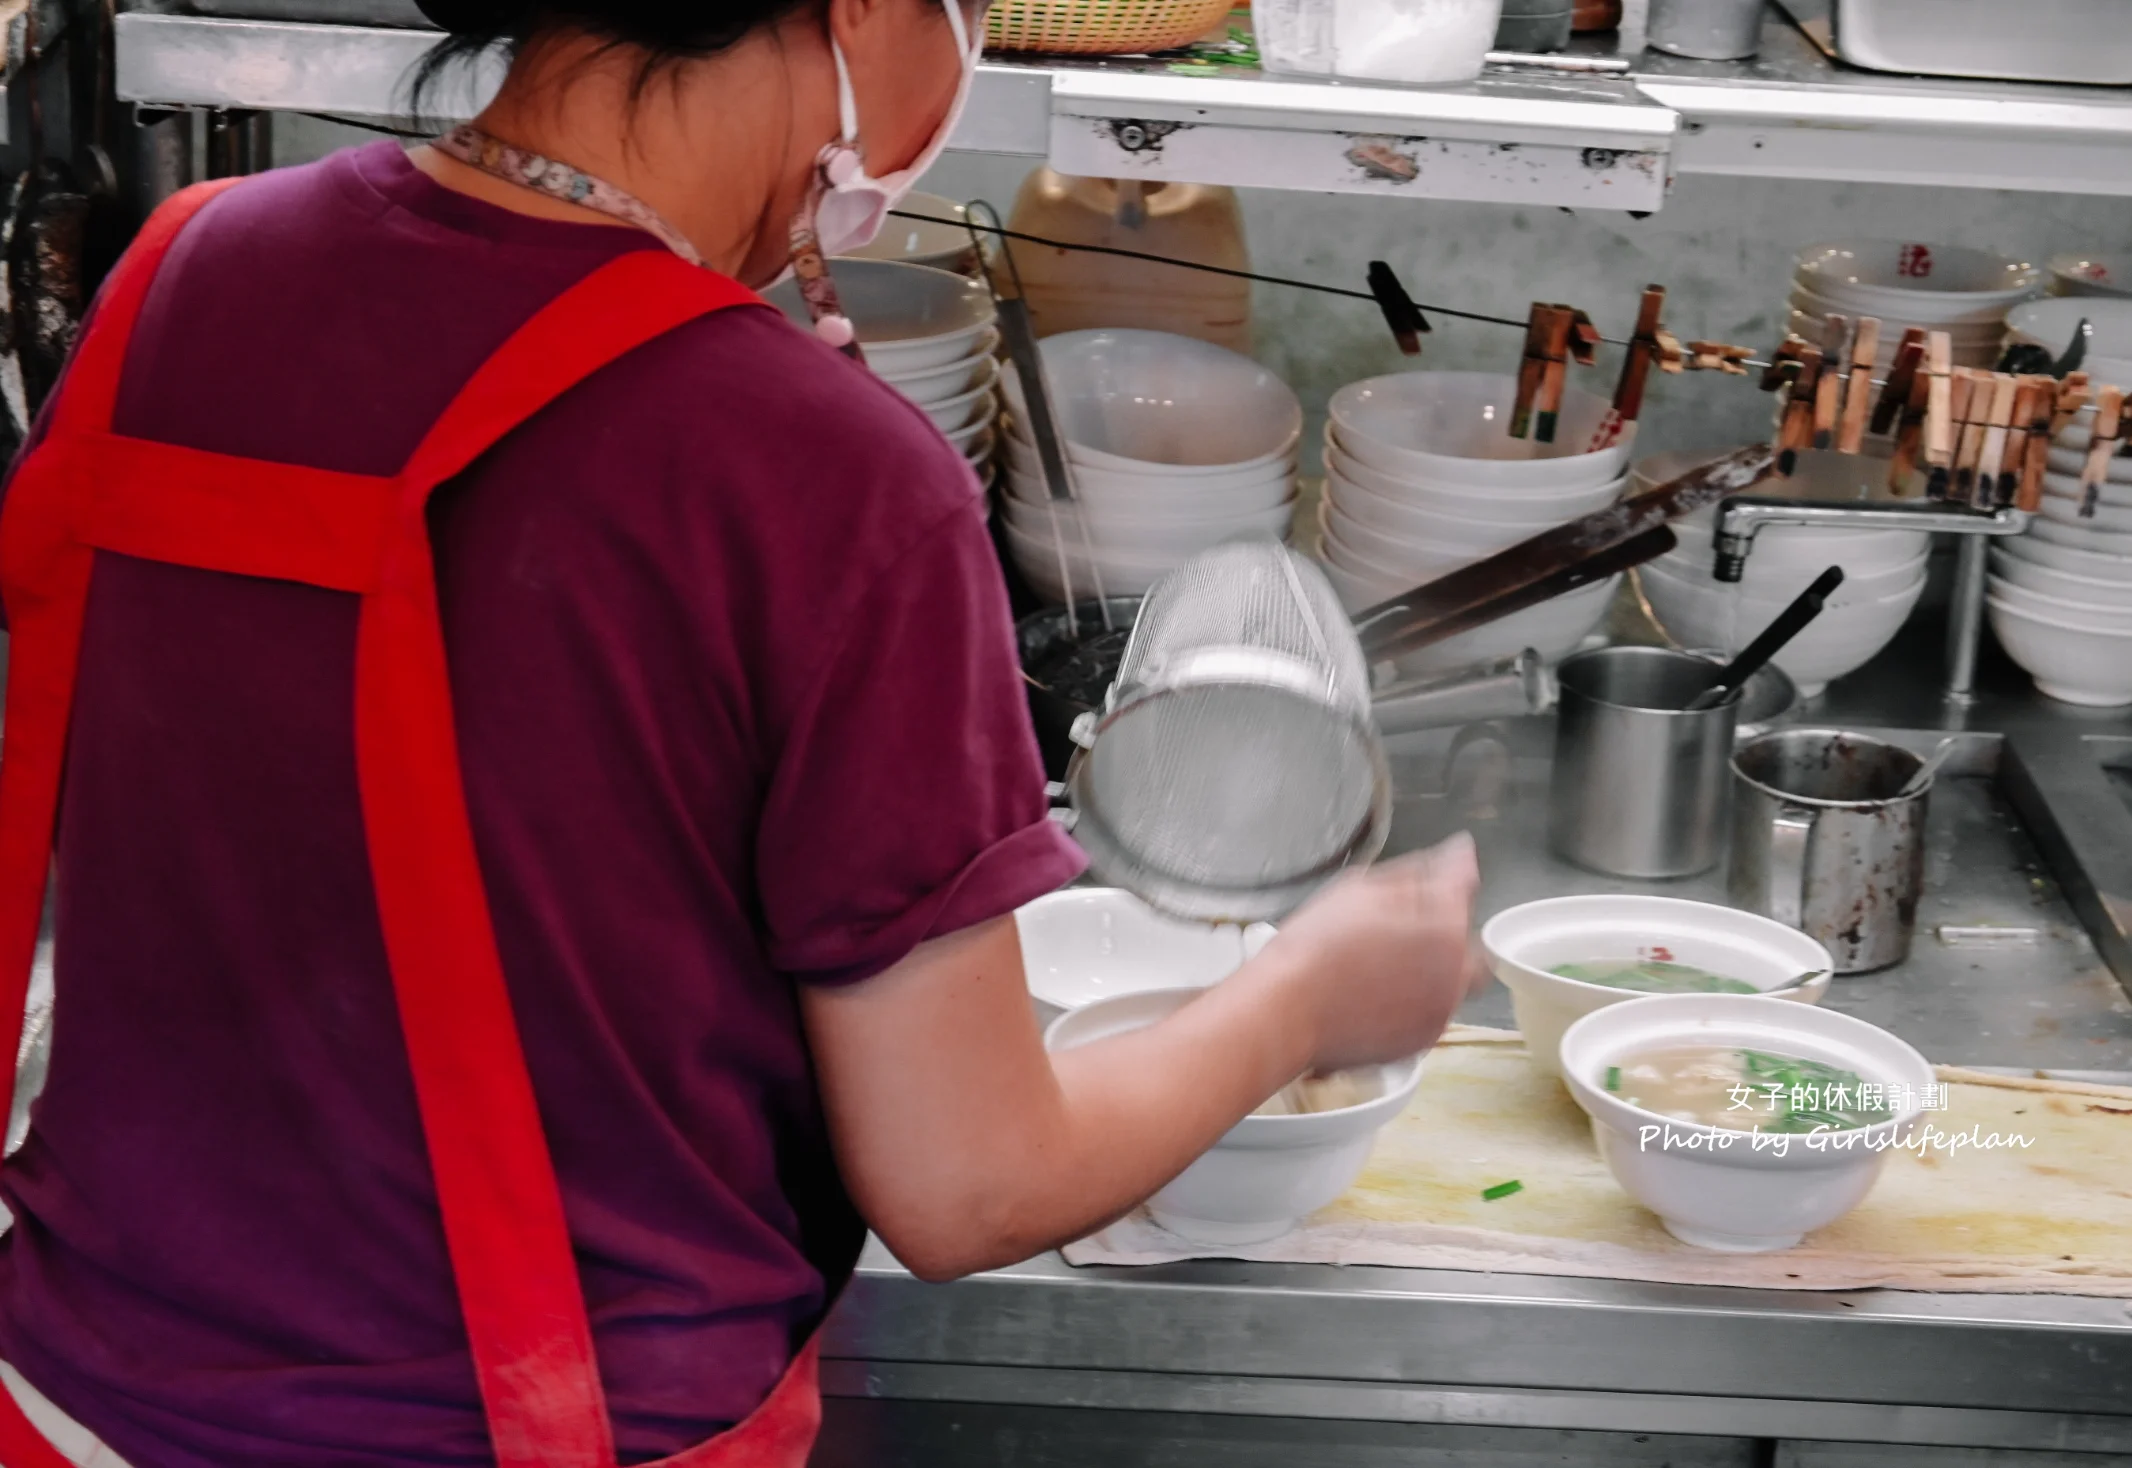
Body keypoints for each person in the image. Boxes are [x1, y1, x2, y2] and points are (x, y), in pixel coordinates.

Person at [0, 0, 1489, 1463]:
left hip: (71, 1399)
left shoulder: (178, 275)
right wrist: (1310, 992)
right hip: (538, 1430)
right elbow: (968, 1184)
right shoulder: (817, 470)